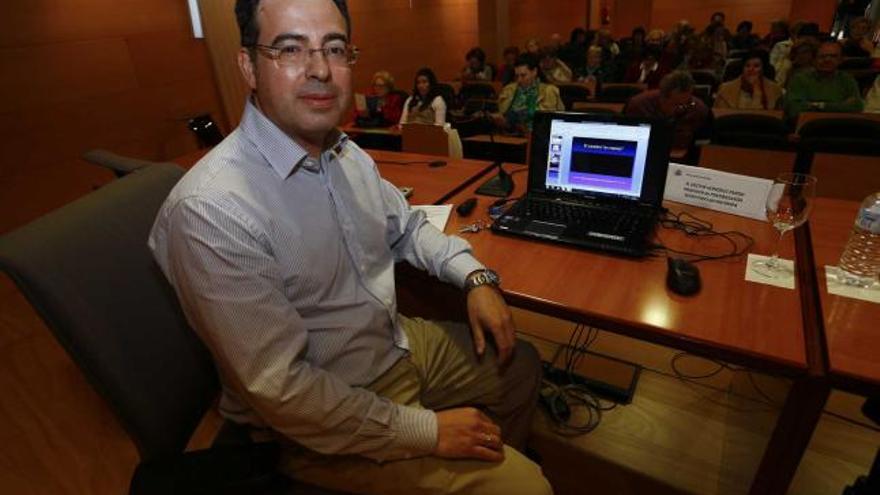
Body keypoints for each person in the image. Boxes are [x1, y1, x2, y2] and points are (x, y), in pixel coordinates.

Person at [149, 1, 551, 494]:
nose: (319, 69)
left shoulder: (345, 151)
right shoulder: (211, 211)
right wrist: (427, 432)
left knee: (522, 364)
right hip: (310, 417)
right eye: (290, 48)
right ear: (248, 66)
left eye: (334, 48)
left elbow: (406, 227)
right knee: (527, 487)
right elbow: (284, 391)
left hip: (389, 343)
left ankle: (479, 458)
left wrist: (474, 277)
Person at [625, 70, 710, 152]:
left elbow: (704, 147)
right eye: (676, 104)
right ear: (662, 97)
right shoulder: (638, 105)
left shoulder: (700, 109)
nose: (682, 108)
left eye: (687, 102)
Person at [784, 40, 865, 121]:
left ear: (841, 60)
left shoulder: (847, 79)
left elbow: (856, 107)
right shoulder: (800, 79)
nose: (827, 60)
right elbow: (794, 109)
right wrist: (840, 106)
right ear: (814, 60)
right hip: (808, 126)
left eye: (833, 56)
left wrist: (817, 105)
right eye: (822, 56)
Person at [495, 53, 564, 135]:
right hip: (509, 135)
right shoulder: (509, 89)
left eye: (523, 75)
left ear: (534, 72)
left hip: (537, 137)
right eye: (517, 76)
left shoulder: (548, 91)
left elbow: (546, 122)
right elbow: (503, 114)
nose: (519, 80)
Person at [715, 51, 783, 109]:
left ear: (763, 70)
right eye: (747, 66)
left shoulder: (775, 90)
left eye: (756, 66)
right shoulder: (725, 90)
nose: (751, 69)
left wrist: (757, 90)